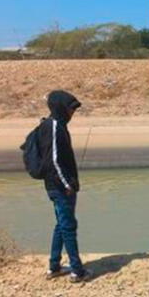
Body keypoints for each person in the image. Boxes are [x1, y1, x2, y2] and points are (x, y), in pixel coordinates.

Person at [39, 90, 91, 282]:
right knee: (69, 227)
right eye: (70, 109)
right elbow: (53, 160)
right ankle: (78, 271)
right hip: (60, 187)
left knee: (61, 225)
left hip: (59, 185)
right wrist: (67, 184)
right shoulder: (53, 127)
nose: (72, 113)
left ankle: (54, 267)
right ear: (60, 107)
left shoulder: (57, 125)